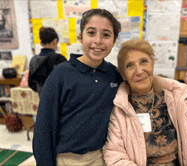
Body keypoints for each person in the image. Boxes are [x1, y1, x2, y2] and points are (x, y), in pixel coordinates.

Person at [103, 39, 187, 166]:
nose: (139, 71)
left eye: (144, 61)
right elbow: (115, 155)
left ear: (152, 64)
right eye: (129, 65)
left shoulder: (173, 99)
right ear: (123, 74)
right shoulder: (119, 109)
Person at [33, 9, 122, 166]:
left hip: (100, 157)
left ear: (114, 41)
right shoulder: (61, 74)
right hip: (67, 159)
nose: (98, 40)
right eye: (91, 33)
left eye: (106, 35)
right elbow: (44, 127)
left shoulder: (115, 75)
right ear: (80, 37)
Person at [28, 27, 67, 97]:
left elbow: (31, 83)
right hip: (59, 101)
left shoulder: (33, 60)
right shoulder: (59, 59)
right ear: (55, 41)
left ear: (41, 43)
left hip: (43, 100)